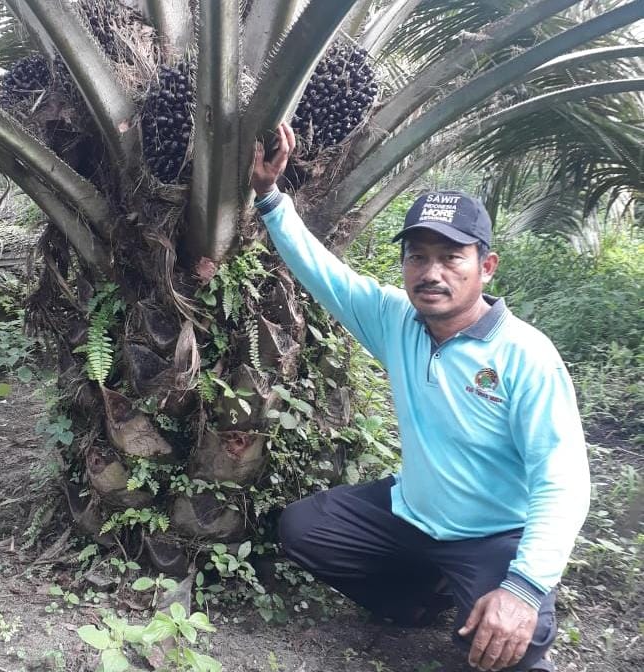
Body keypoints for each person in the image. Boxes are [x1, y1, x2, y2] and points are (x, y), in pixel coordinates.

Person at [249, 122, 590, 672]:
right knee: (304, 530)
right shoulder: (395, 320)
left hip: (491, 534)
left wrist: (523, 589)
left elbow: (564, 479)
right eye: (417, 256)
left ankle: (486, 596)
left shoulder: (526, 356)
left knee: (513, 648)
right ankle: (419, 602)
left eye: (451, 257)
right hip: (412, 513)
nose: (431, 272)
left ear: (486, 265)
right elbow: (324, 274)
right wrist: (269, 197)